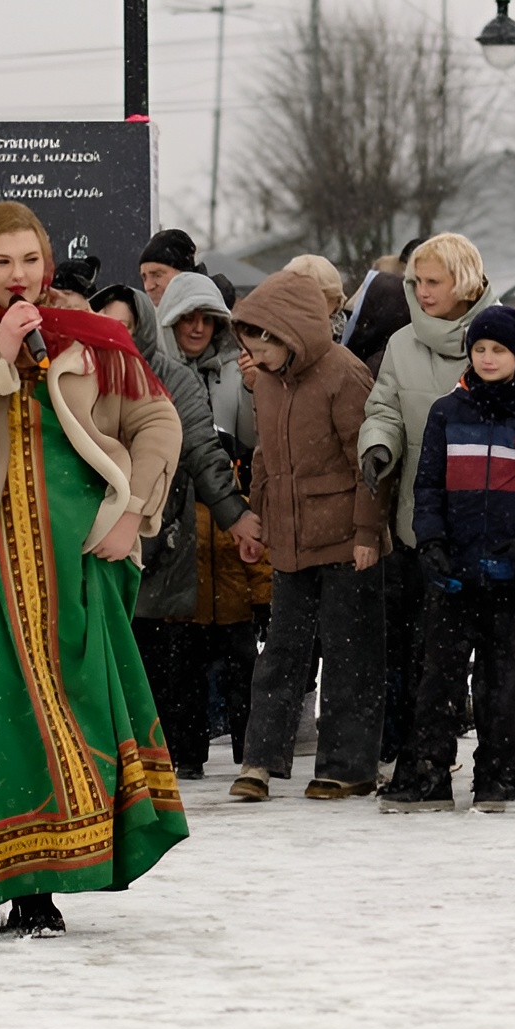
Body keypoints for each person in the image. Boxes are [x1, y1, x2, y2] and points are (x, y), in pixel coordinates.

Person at [0, 201, 185, 937]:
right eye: (1, 263)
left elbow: (157, 421)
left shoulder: (92, 337)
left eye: (29, 261)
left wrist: (132, 509)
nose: (17, 277)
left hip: (72, 560)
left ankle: (41, 882)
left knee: (66, 712)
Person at [359, 233, 515, 768]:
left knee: (503, 659)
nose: (420, 290)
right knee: (433, 656)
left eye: (432, 281)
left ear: (463, 282)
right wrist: (376, 447)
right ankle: (427, 760)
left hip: (503, 520)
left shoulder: (514, 333)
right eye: (416, 281)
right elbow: (384, 411)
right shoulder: (401, 344)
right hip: (434, 521)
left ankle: (502, 762)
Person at [382, 304, 515, 811]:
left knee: (504, 682)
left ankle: (498, 777)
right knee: (437, 675)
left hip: (514, 574)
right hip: (454, 572)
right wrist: (432, 543)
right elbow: (428, 487)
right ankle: (427, 775)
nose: (487, 358)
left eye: (498, 350)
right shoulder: (447, 412)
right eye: (480, 349)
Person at [226, 268, 387, 801]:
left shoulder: (345, 373)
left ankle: (348, 764)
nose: (254, 359)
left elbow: (369, 461)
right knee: (281, 653)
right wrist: (260, 522)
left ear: (286, 333)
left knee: (348, 654)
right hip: (291, 539)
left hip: (345, 538)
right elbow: (266, 458)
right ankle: (260, 761)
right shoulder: (269, 383)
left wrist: (368, 530)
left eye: (260, 346)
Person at [91, 281, 256, 779]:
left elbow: (206, 452)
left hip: (163, 531)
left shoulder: (172, 380)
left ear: (142, 326)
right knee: (108, 651)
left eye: (125, 326)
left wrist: (236, 516)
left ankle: (169, 758)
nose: (116, 335)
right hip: (92, 528)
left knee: (165, 654)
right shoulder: (79, 375)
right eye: (107, 326)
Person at [157, 269, 273, 766]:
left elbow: (256, 436)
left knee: (239, 650)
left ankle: (251, 750)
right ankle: (185, 752)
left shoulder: (238, 370)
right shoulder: (154, 372)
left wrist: (254, 390)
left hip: (230, 516)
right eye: (188, 318)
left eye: (208, 319)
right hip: (175, 518)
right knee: (180, 653)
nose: (198, 327)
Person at [140, 227, 200, 304]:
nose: (148, 287)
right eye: (144, 278)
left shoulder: (212, 312)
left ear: (183, 273)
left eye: (157, 275)